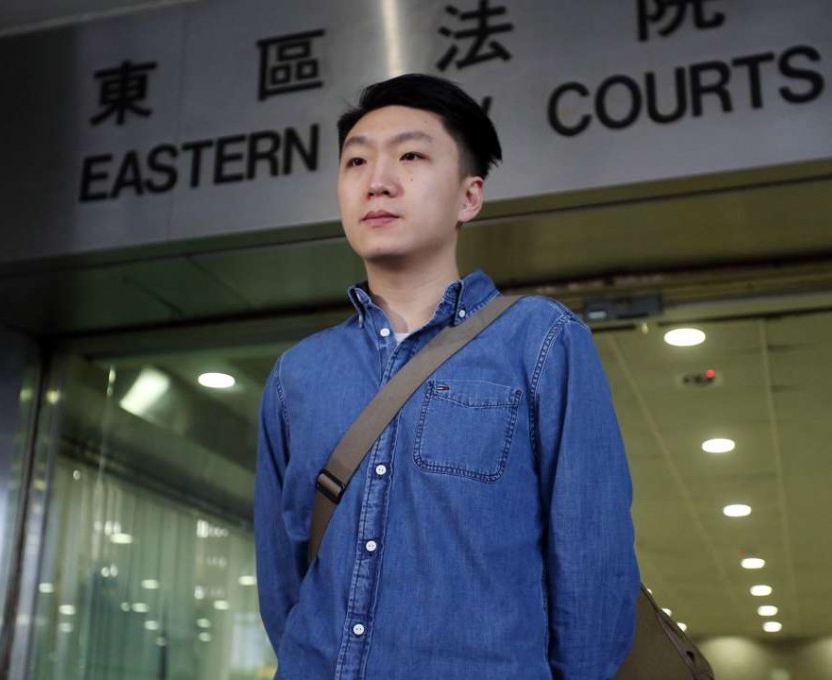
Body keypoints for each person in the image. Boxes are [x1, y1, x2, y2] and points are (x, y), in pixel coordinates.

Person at [254, 73, 639, 679]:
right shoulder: (298, 373)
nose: (377, 181)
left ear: (469, 197)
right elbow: (283, 587)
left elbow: (593, 565)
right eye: (356, 161)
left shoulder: (540, 341)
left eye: (410, 155)